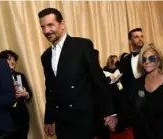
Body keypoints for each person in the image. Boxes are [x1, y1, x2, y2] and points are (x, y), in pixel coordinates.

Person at [38, 8, 117, 139]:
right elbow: (51, 89)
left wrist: (110, 112)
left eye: (50, 25)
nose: (46, 31)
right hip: (62, 121)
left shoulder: (82, 45)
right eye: (43, 27)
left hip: (84, 118)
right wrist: (49, 119)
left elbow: (98, 80)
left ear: (62, 24)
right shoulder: (45, 56)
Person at [0, 50, 32, 139]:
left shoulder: (20, 76)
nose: (12, 61)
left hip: (22, 117)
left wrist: (26, 94)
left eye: (13, 59)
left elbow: (29, 95)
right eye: (9, 59)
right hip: (7, 119)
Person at [119, 28, 144, 94]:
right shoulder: (124, 61)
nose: (140, 39)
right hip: (131, 98)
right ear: (130, 41)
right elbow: (122, 81)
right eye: (136, 37)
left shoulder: (151, 56)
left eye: (141, 36)